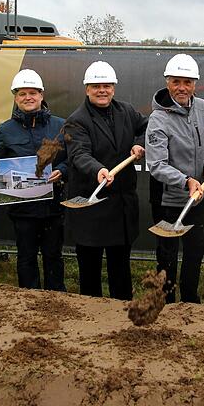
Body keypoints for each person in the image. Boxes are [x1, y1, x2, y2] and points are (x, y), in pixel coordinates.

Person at [64, 61, 147, 300]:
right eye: (96, 86)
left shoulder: (127, 111)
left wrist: (139, 142)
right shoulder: (76, 120)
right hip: (92, 207)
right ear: (87, 89)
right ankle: (91, 316)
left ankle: (121, 314)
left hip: (121, 207)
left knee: (120, 268)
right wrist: (98, 170)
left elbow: (148, 127)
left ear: (114, 88)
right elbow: (79, 154)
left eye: (107, 86)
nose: (102, 90)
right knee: (89, 271)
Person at [146, 54, 204, 304]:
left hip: (196, 198)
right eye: (176, 81)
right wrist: (186, 180)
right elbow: (157, 165)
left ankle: (190, 303)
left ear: (195, 84)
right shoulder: (158, 118)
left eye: (187, 82)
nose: (182, 88)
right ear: (167, 82)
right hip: (167, 198)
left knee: (194, 252)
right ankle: (165, 304)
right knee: (167, 256)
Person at [0, 69, 67, 291]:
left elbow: (71, 159)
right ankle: (28, 302)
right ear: (15, 97)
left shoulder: (59, 125)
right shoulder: (5, 130)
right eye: (22, 93)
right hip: (22, 209)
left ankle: (57, 299)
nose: (28, 97)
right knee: (26, 257)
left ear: (41, 95)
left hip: (53, 206)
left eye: (32, 92)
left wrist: (62, 170)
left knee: (53, 256)